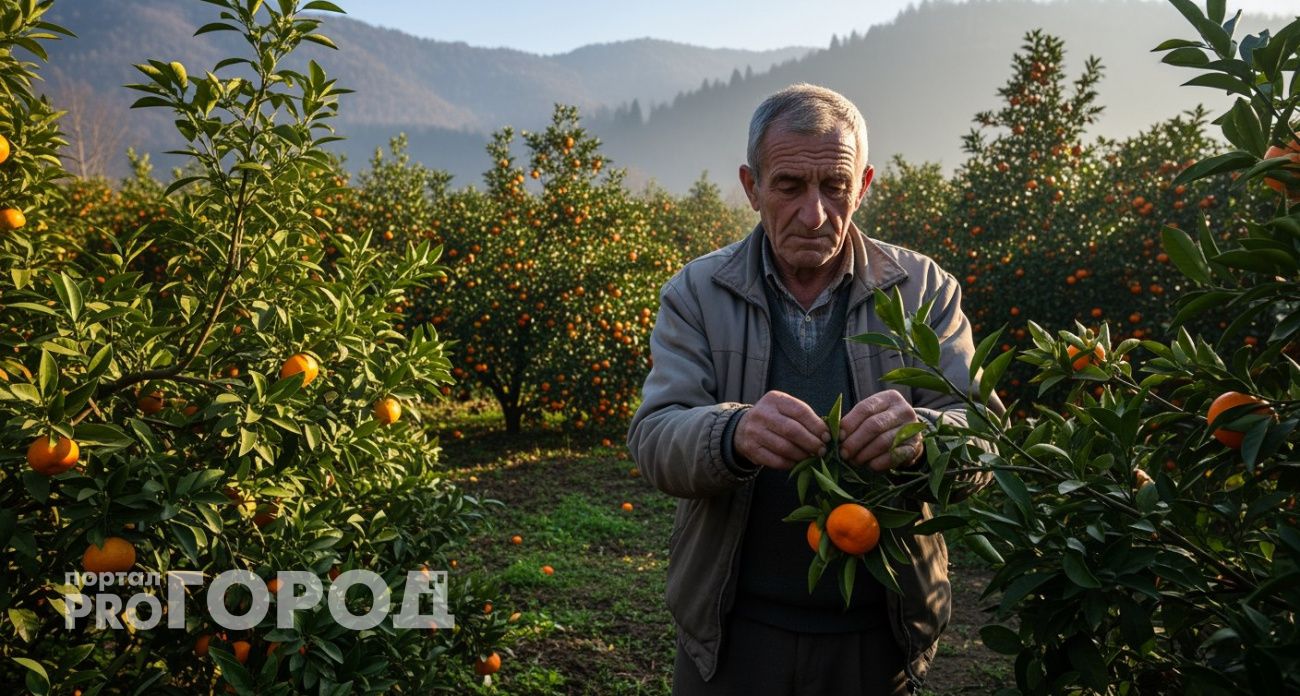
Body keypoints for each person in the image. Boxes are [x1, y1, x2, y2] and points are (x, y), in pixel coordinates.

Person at [626, 83, 997, 695]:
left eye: (835, 187)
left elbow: (983, 437)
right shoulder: (698, 294)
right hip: (731, 638)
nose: (815, 213)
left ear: (865, 185)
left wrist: (924, 438)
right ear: (751, 187)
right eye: (790, 186)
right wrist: (732, 432)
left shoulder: (922, 291)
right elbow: (655, 437)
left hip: (878, 642)